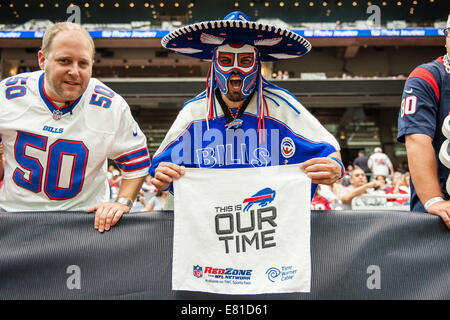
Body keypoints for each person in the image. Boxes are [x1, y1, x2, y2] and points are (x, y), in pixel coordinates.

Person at [150, 11, 344, 198]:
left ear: (258, 64)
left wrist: (335, 167)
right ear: (214, 65)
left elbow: (329, 152)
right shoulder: (194, 112)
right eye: (225, 60)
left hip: (269, 221)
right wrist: (163, 176)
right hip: (212, 221)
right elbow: (160, 169)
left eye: (245, 61)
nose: (235, 70)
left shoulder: (281, 106)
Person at [0, 22, 150, 232]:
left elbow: (137, 162)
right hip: (14, 218)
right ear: (42, 60)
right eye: (65, 61)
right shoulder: (7, 96)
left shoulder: (111, 106)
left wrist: (122, 203)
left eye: (83, 63)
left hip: (83, 224)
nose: (74, 71)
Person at [397, 14, 450, 228]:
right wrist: (434, 199)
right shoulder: (427, 76)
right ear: (447, 36)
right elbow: (417, 139)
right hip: (441, 209)